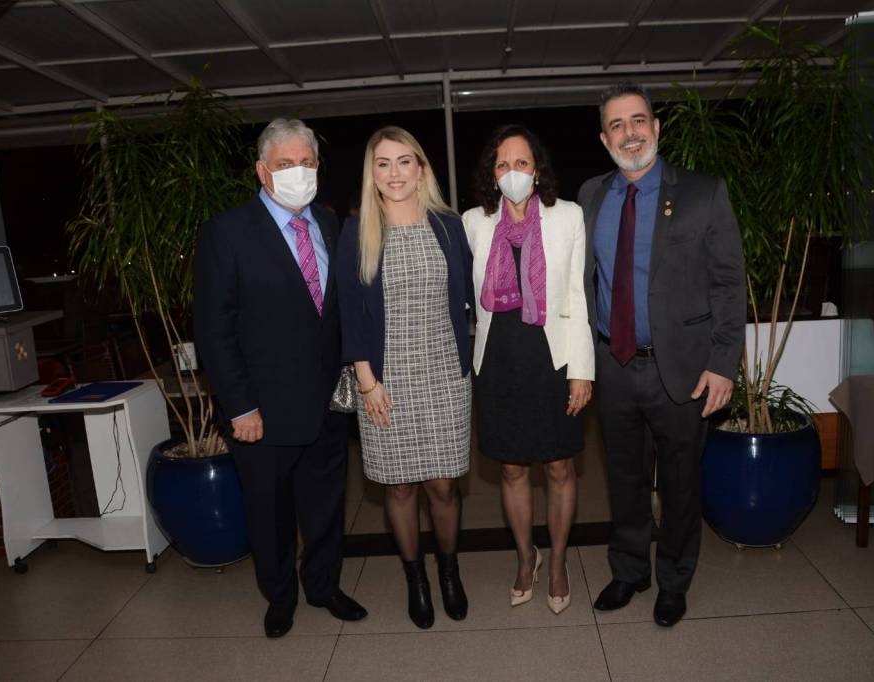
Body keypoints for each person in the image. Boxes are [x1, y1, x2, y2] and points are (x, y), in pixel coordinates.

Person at [579, 83, 745, 627]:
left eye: (638, 121)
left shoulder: (703, 193)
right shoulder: (590, 197)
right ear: (604, 138)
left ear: (656, 127)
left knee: (679, 482)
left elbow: (729, 284)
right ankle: (630, 570)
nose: (630, 133)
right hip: (613, 363)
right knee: (624, 478)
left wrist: (723, 363)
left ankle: (674, 580)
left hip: (685, 369)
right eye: (617, 125)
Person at [193, 118, 368, 638]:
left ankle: (323, 585)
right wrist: (240, 406)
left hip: (327, 404)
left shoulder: (330, 223)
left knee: (326, 506)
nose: (299, 172)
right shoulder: (227, 233)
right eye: (286, 163)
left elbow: (336, 311)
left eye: (307, 162)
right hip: (262, 412)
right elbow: (214, 330)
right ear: (262, 171)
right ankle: (280, 595)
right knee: (269, 513)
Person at [337, 126, 474, 630]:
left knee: (443, 486)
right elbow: (350, 313)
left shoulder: (448, 226)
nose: (394, 173)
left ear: (421, 169)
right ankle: (415, 577)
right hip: (385, 381)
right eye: (383, 163)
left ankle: (449, 571)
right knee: (398, 489)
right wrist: (366, 381)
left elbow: (469, 296)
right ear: (371, 174)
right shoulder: (357, 231)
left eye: (403, 161)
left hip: (444, 374)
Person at [463, 125, 593, 615]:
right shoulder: (473, 223)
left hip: (553, 358)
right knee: (512, 468)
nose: (512, 172)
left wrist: (582, 370)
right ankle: (526, 558)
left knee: (559, 466)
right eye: (502, 164)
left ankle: (557, 561)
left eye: (521, 163)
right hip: (498, 361)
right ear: (491, 174)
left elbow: (579, 297)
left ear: (536, 170)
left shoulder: (568, 216)